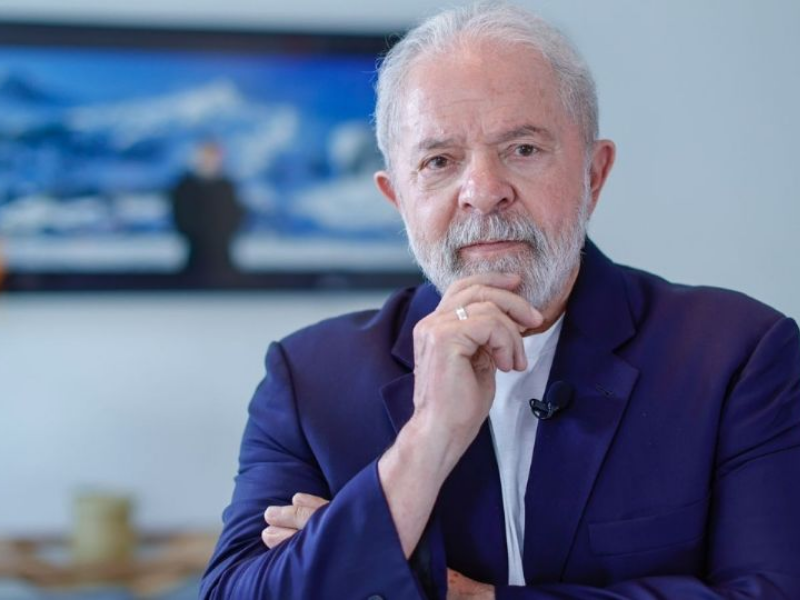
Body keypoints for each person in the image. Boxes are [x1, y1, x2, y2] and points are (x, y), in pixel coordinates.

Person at [200, 3, 800, 599]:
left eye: (523, 149)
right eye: (439, 161)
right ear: (397, 198)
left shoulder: (738, 355)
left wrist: (449, 592)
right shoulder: (308, 379)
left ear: (594, 174)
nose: (483, 192)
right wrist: (427, 439)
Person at [171, 140, 243, 284]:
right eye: (205, 155)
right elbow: (181, 216)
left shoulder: (227, 186)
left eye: (213, 156)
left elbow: (235, 216)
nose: (208, 160)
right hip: (193, 256)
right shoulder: (186, 186)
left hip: (223, 259)